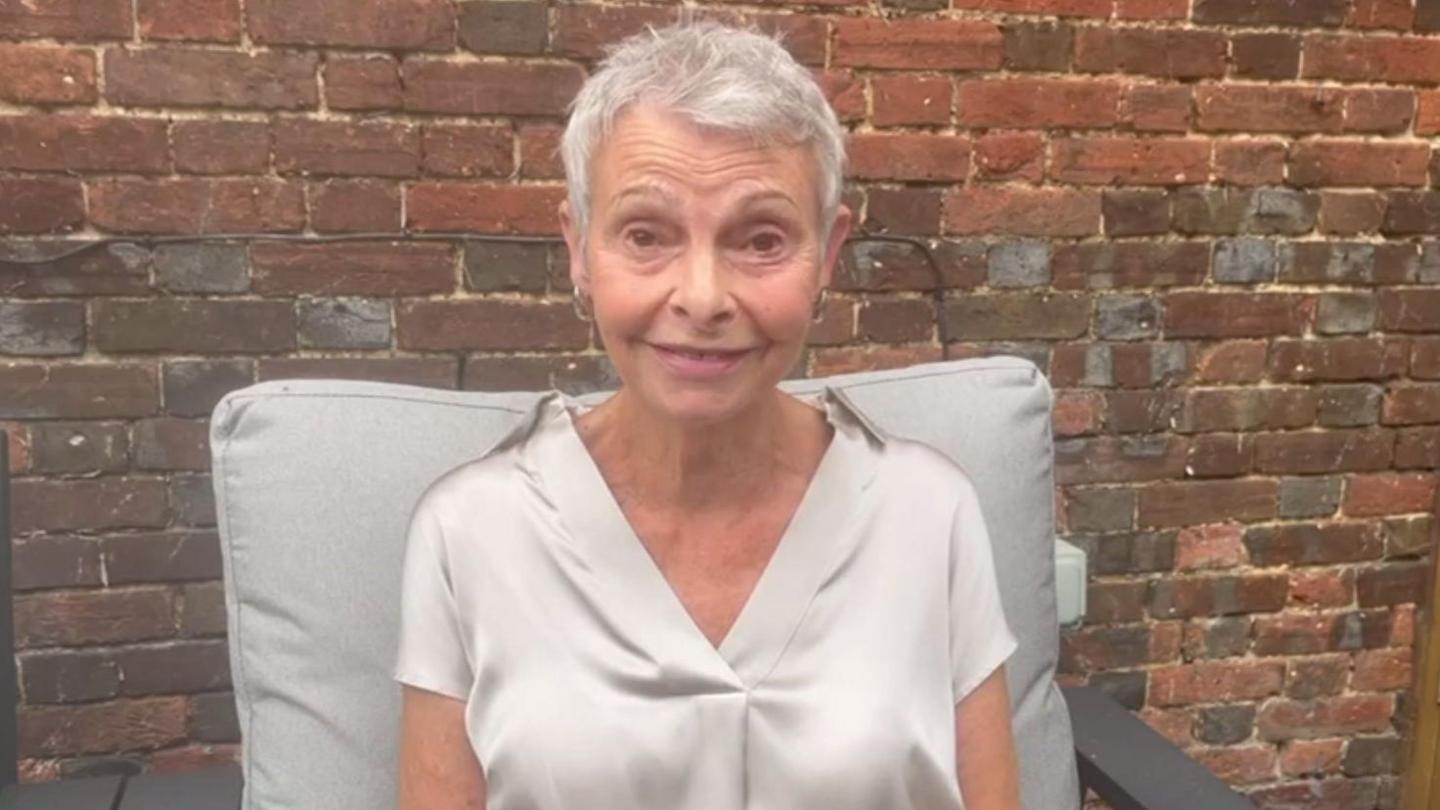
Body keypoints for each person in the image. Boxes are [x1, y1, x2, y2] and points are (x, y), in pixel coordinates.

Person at [394, 21, 1021, 810]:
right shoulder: (468, 533)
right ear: (580, 251)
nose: (702, 297)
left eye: (760, 240)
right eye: (645, 235)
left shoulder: (930, 514)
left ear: (827, 255)